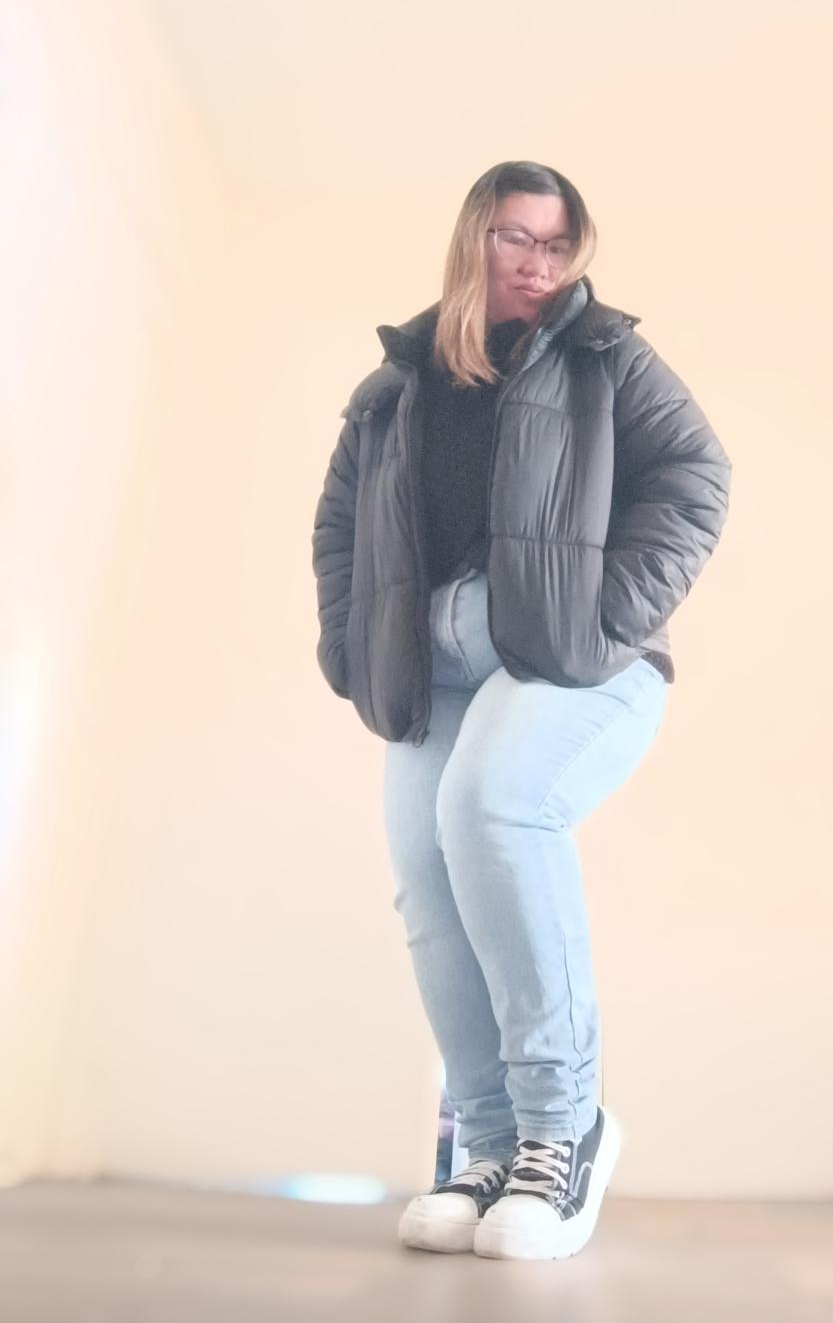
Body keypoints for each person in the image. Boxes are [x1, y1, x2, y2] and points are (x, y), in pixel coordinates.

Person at [311, 160, 732, 1261]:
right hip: (431, 666)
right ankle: (489, 1146)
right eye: (515, 238)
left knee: (493, 808)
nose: (539, 264)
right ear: (473, 241)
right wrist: (349, 646)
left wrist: (605, 616)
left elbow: (697, 475)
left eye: (556, 244)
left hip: (566, 658)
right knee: (428, 881)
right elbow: (340, 523)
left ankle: (562, 1129)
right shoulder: (397, 383)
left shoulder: (604, 356)